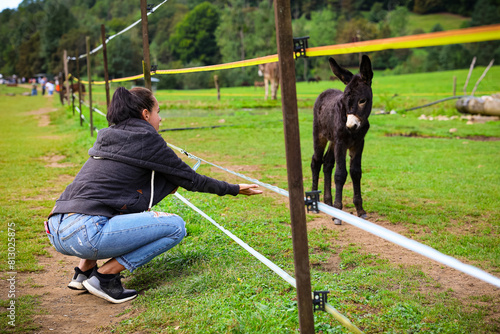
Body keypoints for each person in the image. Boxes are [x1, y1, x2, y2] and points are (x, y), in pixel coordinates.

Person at [46, 87, 262, 304]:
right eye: (158, 111)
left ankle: (84, 271)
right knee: (176, 227)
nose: (161, 118)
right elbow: (192, 180)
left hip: (56, 227)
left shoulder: (110, 135)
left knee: (104, 202)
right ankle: (105, 276)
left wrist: (166, 183)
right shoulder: (147, 139)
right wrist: (234, 188)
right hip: (86, 233)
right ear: (145, 114)